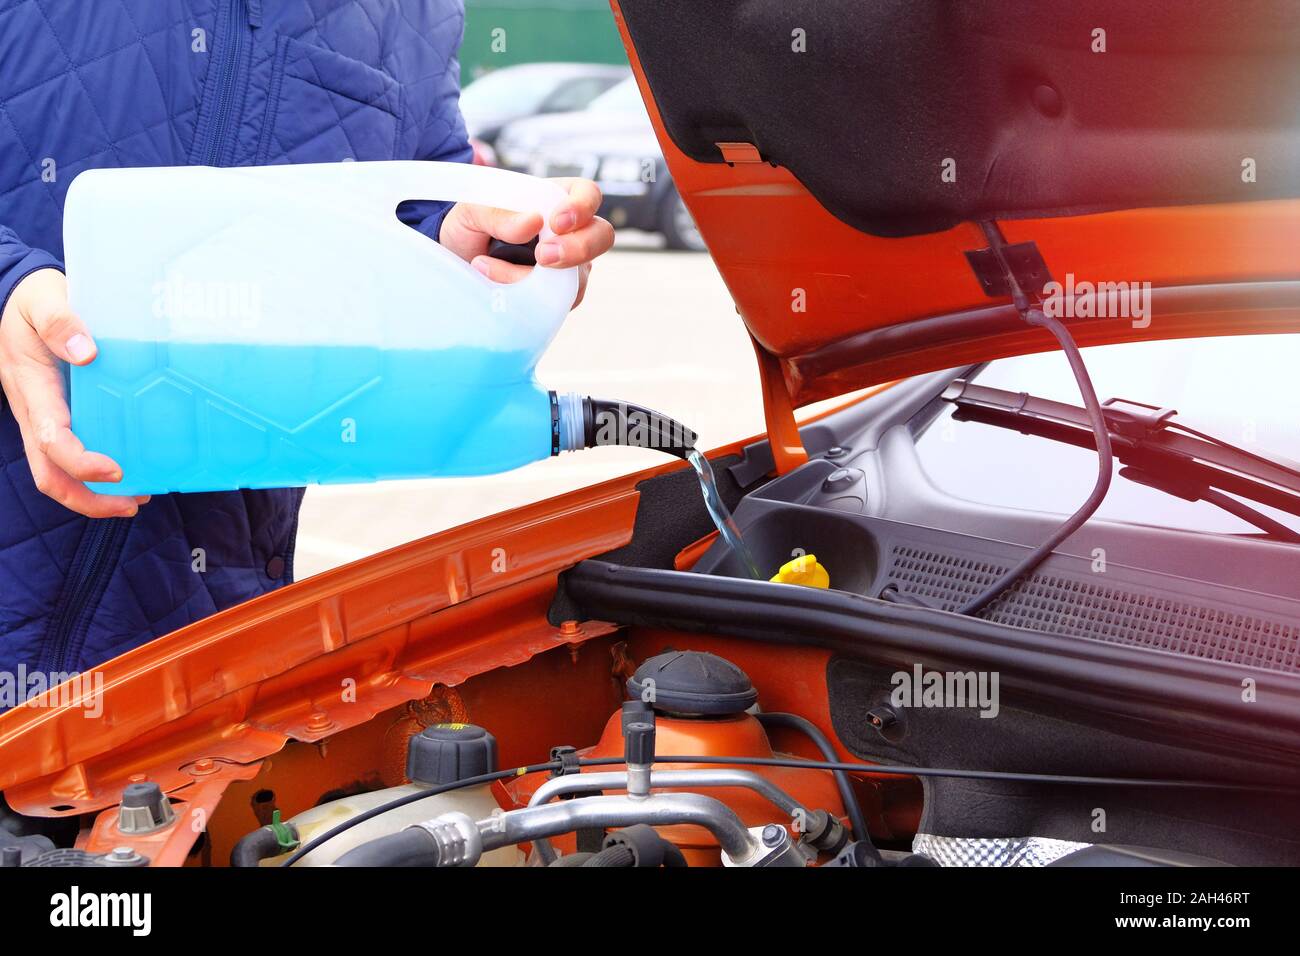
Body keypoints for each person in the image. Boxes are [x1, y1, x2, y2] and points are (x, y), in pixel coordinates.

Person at [0, 1, 614, 691]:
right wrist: (7, 290)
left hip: (192, 652)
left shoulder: (418, 12)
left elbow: (416, 206)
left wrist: (491, 247)